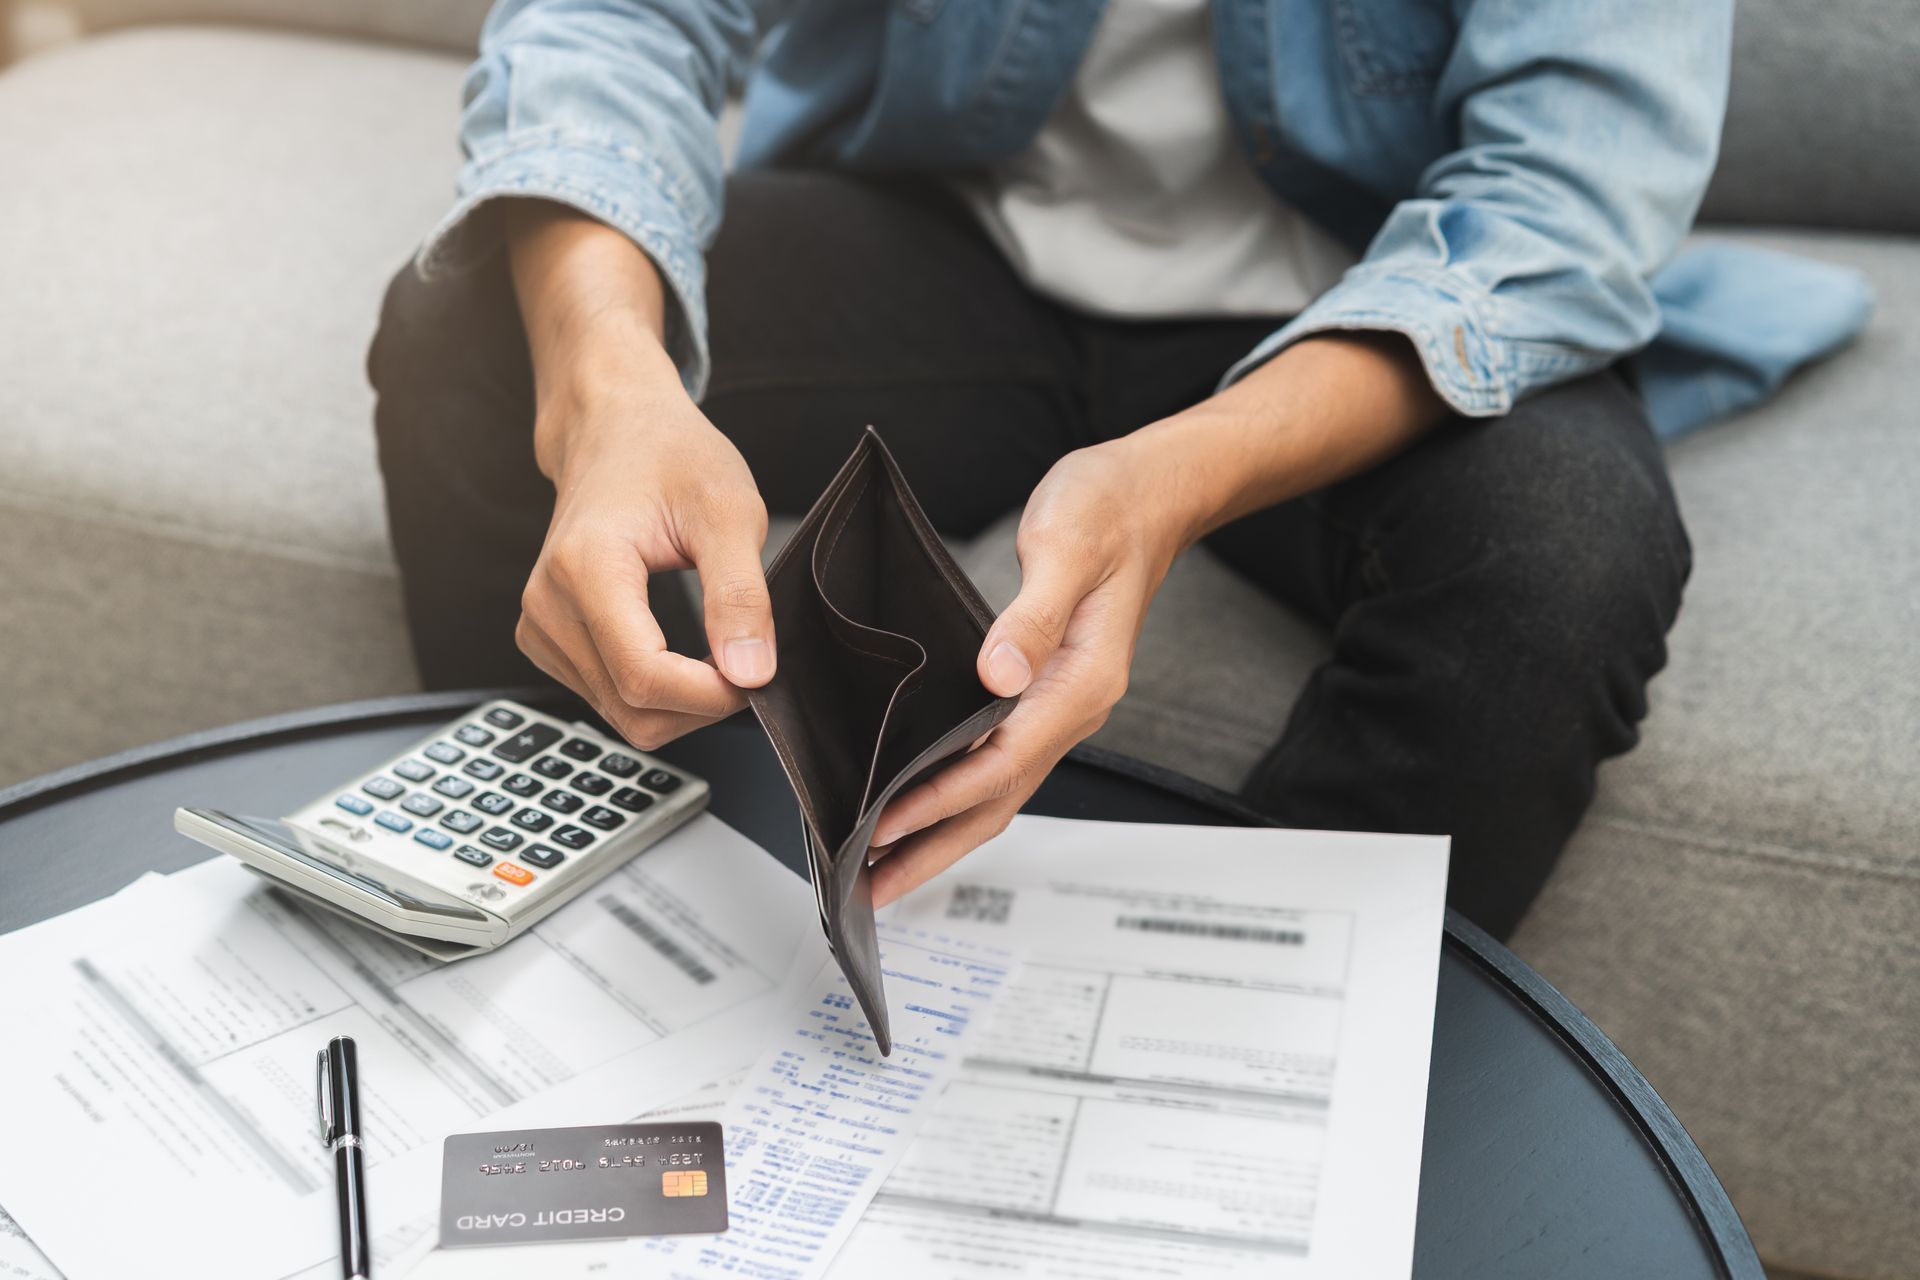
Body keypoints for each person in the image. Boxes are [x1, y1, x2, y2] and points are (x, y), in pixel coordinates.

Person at [369, 0, 1735, 940]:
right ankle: (614, 931)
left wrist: (1172, 481)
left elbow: (1562, 201)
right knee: (486, 329)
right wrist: (612, 387)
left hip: (1366, 302)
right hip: (955, 245)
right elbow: (618, 24)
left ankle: (1237, 1075)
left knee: (1559, 562)